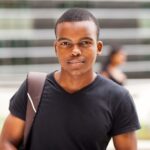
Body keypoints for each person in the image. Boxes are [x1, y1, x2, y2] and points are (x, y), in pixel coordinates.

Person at [0, 8, 140, 150]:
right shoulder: (33, 88)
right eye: (65, 43)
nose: (75, 51)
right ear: (56, 48)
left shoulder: (118, 98)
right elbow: (7, 142)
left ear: (98, 47)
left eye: (85, 42)